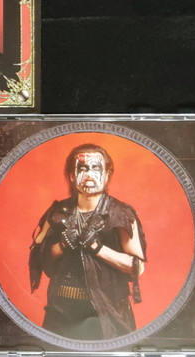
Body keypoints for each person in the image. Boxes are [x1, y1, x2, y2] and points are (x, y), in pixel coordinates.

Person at [29, 144, 147, 340]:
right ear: (72, 176)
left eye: (96, 168)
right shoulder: (57, 212)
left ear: (107, 175)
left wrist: (98, 248)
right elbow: (37, 257)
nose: (89, 175)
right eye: (83, 168)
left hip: (107, 312)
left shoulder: (120, 213)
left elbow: (137, 266)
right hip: (60, 311)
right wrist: (61, 246)